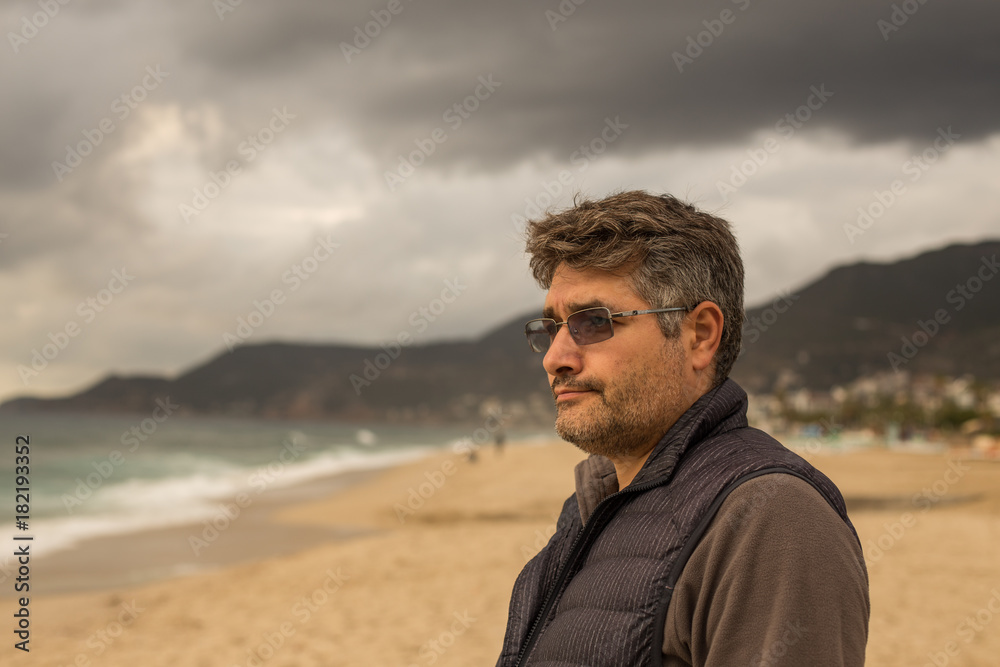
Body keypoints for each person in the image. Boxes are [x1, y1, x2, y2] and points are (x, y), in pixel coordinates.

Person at [496, 191, 869, 667]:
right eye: (551, 329)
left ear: (700, 335)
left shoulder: (770, 518)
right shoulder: (592, 504)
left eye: (593, 322)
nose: (555, 358)